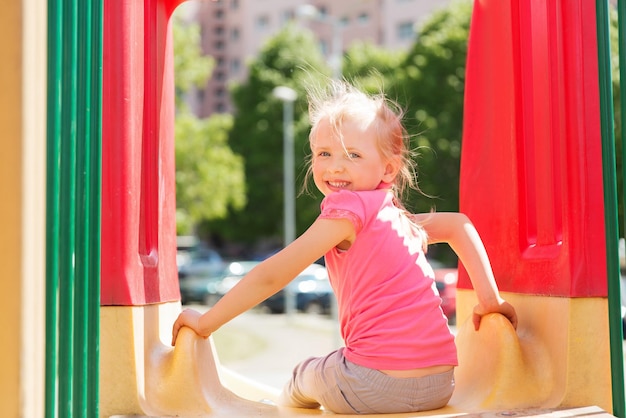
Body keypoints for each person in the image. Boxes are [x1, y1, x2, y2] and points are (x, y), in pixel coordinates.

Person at [171, 80, 517, 414]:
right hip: (440, 384)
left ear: (388, 167)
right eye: (324, 153)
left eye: (353, 154)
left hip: (372, 384)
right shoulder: (398, 219)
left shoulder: (346, 211)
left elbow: (273, 275)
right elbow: (459, 225)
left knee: (303, 376)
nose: (335, 165)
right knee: (336, 365)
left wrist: (206, 323)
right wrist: (491, 301)